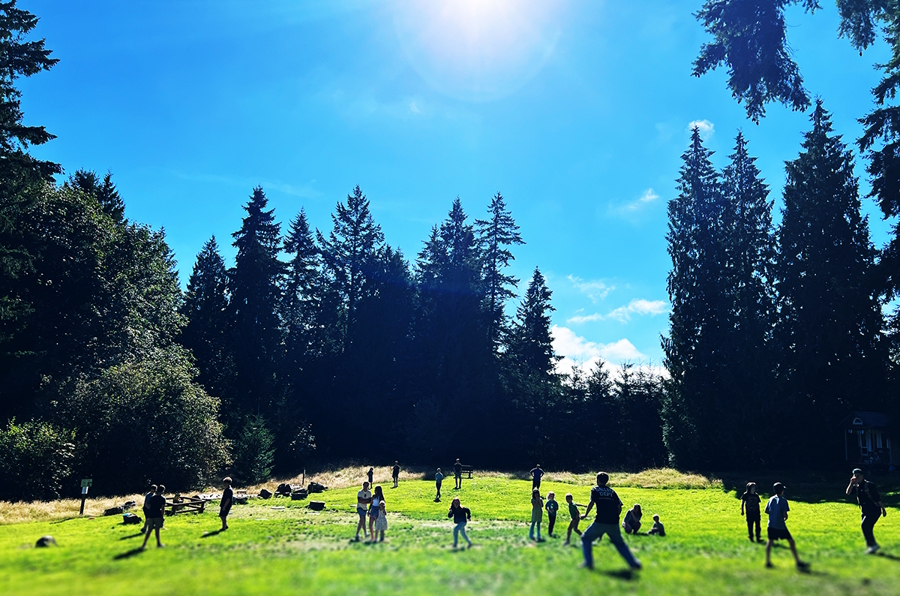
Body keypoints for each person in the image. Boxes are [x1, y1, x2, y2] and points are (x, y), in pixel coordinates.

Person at [580, 472, 641, 570]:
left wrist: (585, 515)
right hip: (613, 522)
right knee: (619, 543)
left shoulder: (595, 490)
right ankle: (634, 563)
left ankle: (588, 563)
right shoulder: (612, 492)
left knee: (586, 538)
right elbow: (619, 506)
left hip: (600, 521)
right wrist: (615, 516)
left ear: (598, 480)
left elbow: (591, 503)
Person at [764, 482, 808, 569]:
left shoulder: (771, 499)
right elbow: (785, 515)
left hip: (771, 524)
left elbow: (766, 511)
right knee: (791, 541)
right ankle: (797, 561)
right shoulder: (784, 501)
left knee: (770, 541)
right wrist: (785, 517)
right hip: (780, 525)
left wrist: (773, 514)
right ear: (782, 491)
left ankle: (768, 561)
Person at [846, 468, 887, 554]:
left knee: (865, 526)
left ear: (862, 476)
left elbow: (877, 498)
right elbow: (848, 492)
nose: (857, 477)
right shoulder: (856, 487)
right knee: (867, 528)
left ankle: (872, 545)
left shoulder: (869, 485)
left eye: (858, 476)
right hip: (864, 510)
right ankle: (872, 545)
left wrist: (883, 509)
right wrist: (851, 483)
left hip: (874, 510)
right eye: (855, 476)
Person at [140, 484, 166, 549]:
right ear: (163, 491)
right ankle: (158, 543)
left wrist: (149, 511)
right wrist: (162, 517)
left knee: (149, 530)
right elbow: (162, 509)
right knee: (157, 530)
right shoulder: (163, 499)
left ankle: (144, 544)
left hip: (151, 515)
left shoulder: (152, 497)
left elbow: (147, 505)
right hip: (157, 515)